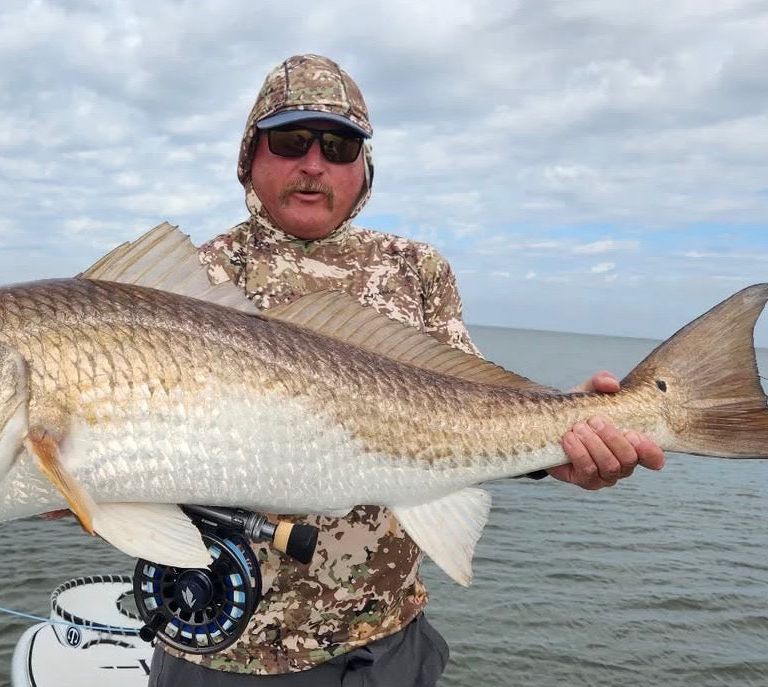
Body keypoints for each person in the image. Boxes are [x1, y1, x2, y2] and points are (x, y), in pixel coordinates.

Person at [148, 54, 666, 686]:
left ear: (363, 167)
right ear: (250, 155)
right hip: (217, 643)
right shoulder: (187, 285)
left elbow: (471, 414)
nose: (314, 164)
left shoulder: (415, 270)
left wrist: (561, 439)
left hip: (383, 646)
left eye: (338, 146)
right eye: (290, 140)